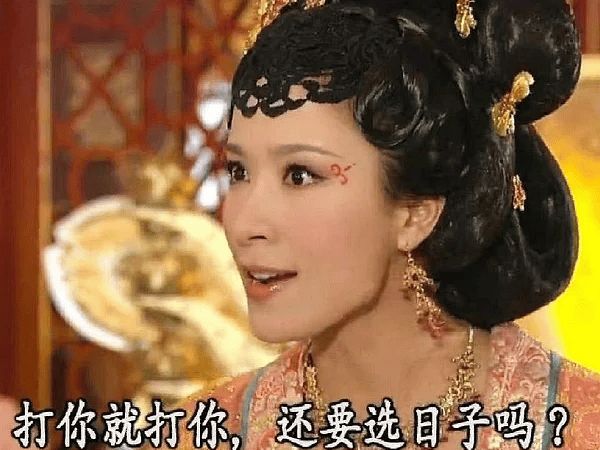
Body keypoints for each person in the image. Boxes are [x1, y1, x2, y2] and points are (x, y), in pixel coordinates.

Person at [151, 0, 600, 449]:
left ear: (415, 212)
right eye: (238, 172)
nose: (245, 222)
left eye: (300, 175)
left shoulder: (575, 427)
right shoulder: (202, 433)